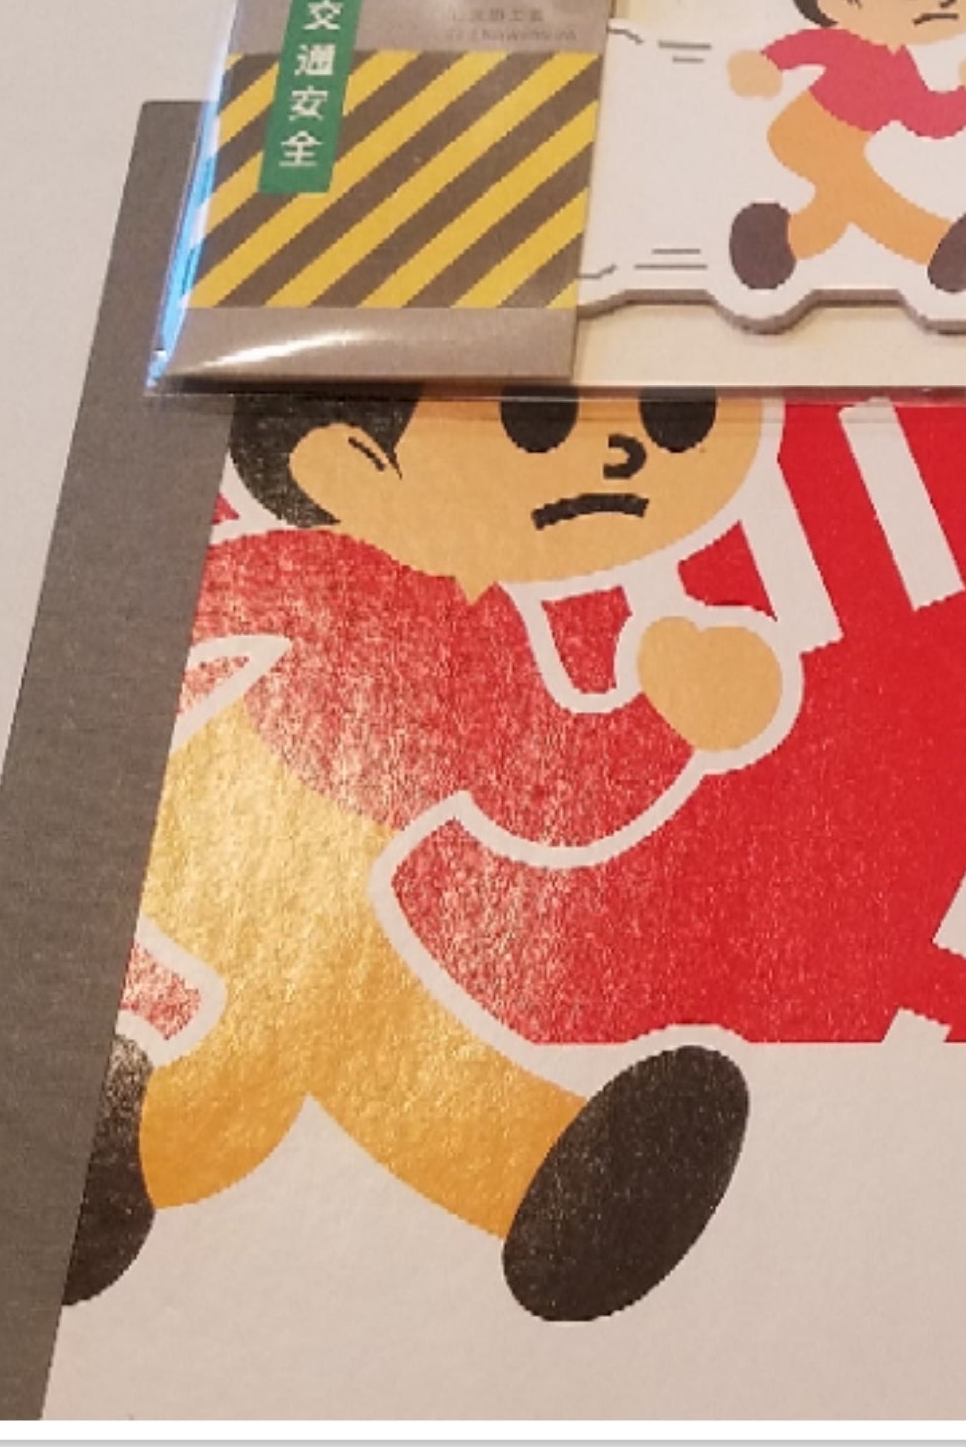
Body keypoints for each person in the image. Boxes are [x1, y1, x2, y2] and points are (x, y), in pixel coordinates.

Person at [66, 389, 786, 1322]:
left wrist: (669, 724)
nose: (625, 456)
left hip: (318, 894)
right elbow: (179, 624)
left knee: (296, 1046)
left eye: (673, 422)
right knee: (335, 1025)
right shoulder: (321, 571)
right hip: (201, 856)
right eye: (537, 426)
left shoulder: (490, 639)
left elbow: (550, 790)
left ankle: (122, 1168)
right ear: (349, 465)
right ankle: (541, 1175)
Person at [726, 0, 966, 296]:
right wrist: (765, 65)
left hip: (843, 147)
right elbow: (803, 47)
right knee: (864, 193)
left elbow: (931, 119)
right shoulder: (847, 43)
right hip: (800, 134)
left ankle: (775, 247)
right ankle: (938, 246)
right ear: (841, 3)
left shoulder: (902, 69)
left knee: (837, 207)